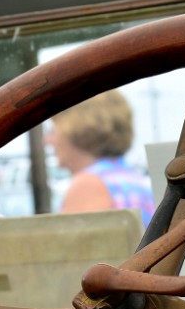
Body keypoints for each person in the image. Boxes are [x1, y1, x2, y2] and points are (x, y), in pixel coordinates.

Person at [46, 90, 155, 224]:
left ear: (76, 129)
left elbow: (75, 244)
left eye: (53, 131)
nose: (47, 140)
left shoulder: (89, 185)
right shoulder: (134, 180)